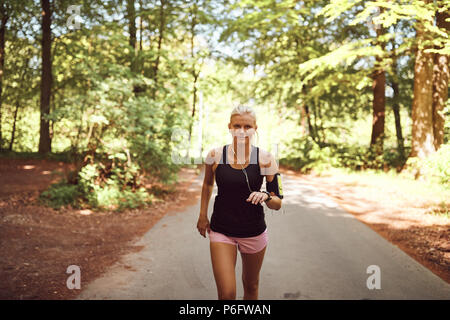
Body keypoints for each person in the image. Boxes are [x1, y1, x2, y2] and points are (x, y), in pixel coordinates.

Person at [196, 105, 283, 300]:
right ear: (229, 126)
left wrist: (267, 196)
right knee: (227, 294)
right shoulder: (215, 155)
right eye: (237, 126)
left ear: (255, 128)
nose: (242, 131)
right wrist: (202, 215)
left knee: (250, 285)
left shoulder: (266, 159)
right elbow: (207, 185)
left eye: (247, 126)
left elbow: (278, 202)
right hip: (221, 229)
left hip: (253, 231)